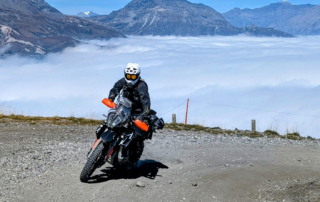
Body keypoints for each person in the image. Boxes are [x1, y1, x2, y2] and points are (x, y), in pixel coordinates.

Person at [108, 63, 150, 168]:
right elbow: (116, 87)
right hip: (124, 108)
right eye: (128, 76)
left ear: (138, 75)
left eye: (133, 76)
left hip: (137, 112)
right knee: (112, 123)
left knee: (136, 135)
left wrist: (144, 115)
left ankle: (133, 159)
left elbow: (146, 102)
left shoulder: (141, 86)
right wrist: (111, 97)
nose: (130, 78)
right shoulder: (123, 81)